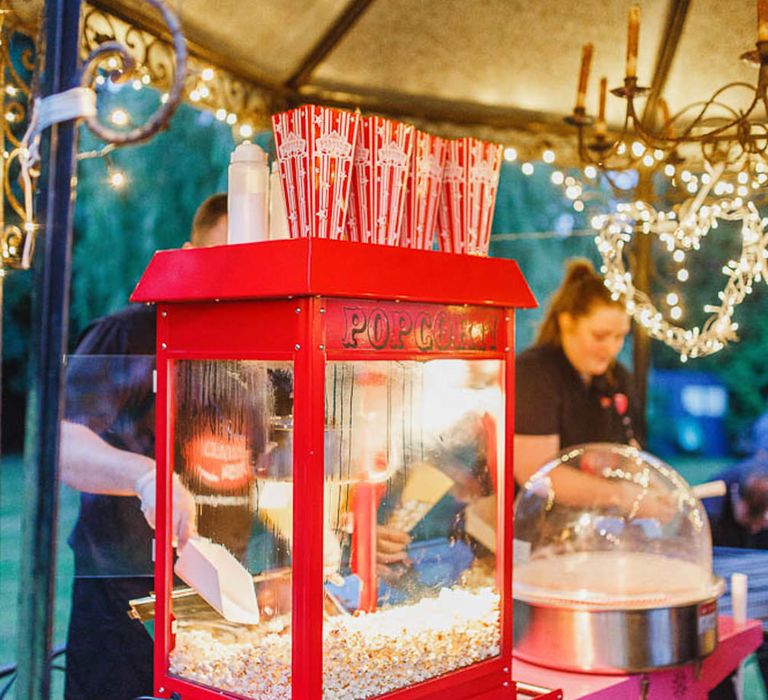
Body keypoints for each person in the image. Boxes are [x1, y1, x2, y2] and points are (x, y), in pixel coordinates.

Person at [60, 193, 228, 700]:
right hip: (119, 605)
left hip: (215, 603)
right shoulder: (128, 332)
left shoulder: (259, 353)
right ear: (186, 254)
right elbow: (62, 443)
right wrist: (147, 475)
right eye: (223, 265)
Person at [514, 258, 656, 514]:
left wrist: (657, 492)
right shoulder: (534, 373)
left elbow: (631, 454)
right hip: (528, 530)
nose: (611, 348)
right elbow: (534, 472)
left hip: (588, 531)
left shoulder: (617, 378)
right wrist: (621, 496)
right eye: (600, 336)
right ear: (567, 322)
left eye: (620, 336)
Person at [706, 412, 768, 548]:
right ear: (736, 495)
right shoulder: (712, 509)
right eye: (749, 519)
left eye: (763, 521)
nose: (755, 528)